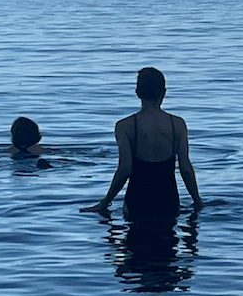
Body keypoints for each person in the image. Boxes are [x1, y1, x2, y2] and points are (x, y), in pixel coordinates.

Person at [82, 67, 203, 217]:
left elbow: (125, 169)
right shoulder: (177, 124)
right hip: (168, 201)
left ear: (137, 93)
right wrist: (197, 201)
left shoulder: (125, 126)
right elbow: (185, 169)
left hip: (136, 202)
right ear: (164, 92)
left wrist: (105, 202)